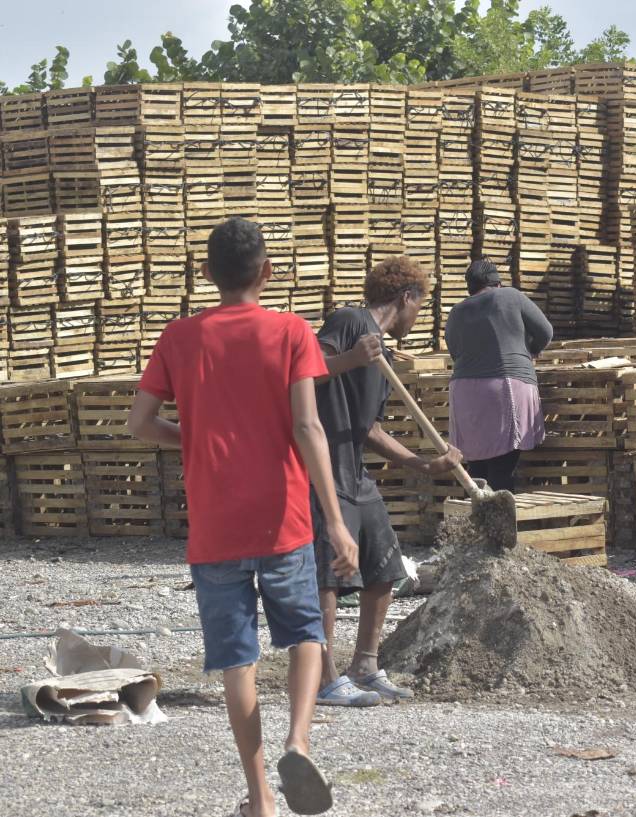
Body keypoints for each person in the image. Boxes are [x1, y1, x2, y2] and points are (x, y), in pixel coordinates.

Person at [128, 217, 354, 817]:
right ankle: (298, 742)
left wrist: (194, 435)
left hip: (217, 527)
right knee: (306, 633)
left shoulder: (179, 338)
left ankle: (259, 800)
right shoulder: (291, 332)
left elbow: (140, 422)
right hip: (282, 519)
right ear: (268, 272)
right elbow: (308, 427)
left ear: (207, 274)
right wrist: (335, 520)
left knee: (237, 660)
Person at [311, 255, 463, 706]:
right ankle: (324, 679)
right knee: (330, 577)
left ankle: (366, 665)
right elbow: (307, 365)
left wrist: (422, 463)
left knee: (383, 569)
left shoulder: (384, 357)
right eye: (421, 306)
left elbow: (370, 429)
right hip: (321, 467)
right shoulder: (350, 321)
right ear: (406, 298)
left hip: (354, 470)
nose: (417, 318)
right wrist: (353, 357)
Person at [444, 259, 552, 492]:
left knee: (477, 470)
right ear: (498, 283)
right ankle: (499, 525)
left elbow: (454, 350)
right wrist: (530, 352)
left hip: (465, 394)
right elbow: (545, 331)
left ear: (469, 287)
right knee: (502, 469)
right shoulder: (511, 296)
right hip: (505, 387)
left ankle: (475, 524)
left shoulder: (457, 311)